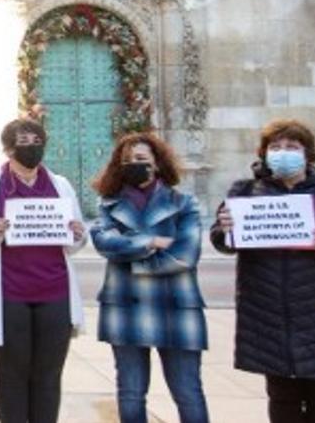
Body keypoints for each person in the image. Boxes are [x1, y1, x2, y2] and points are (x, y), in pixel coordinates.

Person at [0, 118, 87, 423]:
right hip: (9, 293)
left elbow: (75, 239)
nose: (32, 148)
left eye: (37, 141)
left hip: (55, 291)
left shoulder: (61, 185)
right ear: (8, 149)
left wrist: (77, 233)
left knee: (49, 373)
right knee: (11, 373)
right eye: (24, 142)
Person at [210, 119, 315, 423]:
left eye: (292, 147)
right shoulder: (246, 192)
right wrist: (225, 230)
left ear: (308, 153)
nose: (283, 152)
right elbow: (223, 243)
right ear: (263, 153)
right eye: (275, 147)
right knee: (282, 402)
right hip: (268, 318)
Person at [90, 132, 209, 423]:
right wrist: (152, 241)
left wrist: (131, 254)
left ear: (157, 164)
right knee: (130, 393)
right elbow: (104, 243)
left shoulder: (184, 203)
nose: (134, 164)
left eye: (141, 159)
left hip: (177, 306)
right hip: (125, 306)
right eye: (127, 160)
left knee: (188, 391)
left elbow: (184, 255)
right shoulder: (107, 204)